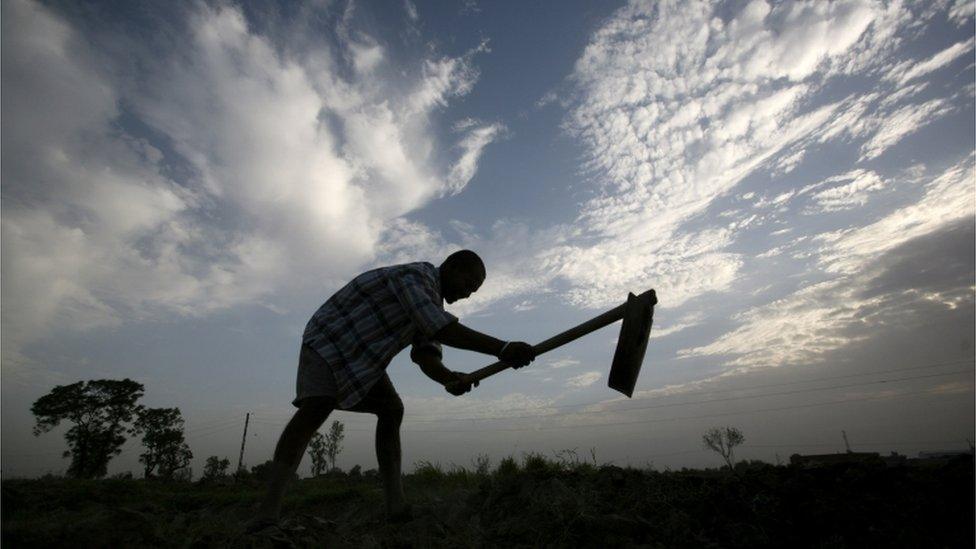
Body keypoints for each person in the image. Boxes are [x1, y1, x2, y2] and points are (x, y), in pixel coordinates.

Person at [247, 250, 535, 530]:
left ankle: (396, 507)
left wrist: (448, 378)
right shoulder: (414, 277)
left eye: (474, 290)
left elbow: (426, 355)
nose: (468, 294)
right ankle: (266, 514)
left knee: (391, 408)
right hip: (329, 339)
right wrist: (503, 348)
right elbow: (440, 329)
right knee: (316, 407)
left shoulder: (431, 303)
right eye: (468, 284)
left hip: (363, 359)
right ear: (451, 267)